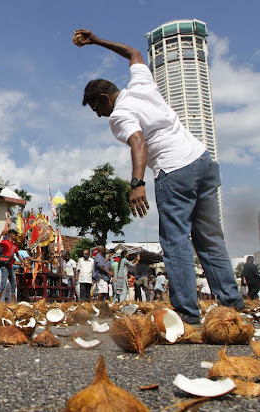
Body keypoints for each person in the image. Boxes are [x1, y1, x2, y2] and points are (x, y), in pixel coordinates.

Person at [77, 29, 245, 323]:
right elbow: (134, 53)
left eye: (96, 107)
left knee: (176, 241)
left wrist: (137, 183)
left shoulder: (118, 115)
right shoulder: (142, 85)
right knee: (210, 239)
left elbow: (138, 141)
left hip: (175, 171)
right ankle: (233, 304)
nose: (98, 115)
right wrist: (96, 40)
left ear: (105, 98)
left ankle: (188, 316)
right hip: (202, 161)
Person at [0, 229, 19, 303]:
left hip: (10, 266)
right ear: (11, 235)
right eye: (15, 235)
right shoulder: (5, 242)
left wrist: (24, 262)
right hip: (4, 266)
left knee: (13, 284)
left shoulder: (14, 245)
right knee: (3, 284)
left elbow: (18, 255)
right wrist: (1, 235)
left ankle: (13, 302)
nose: (16, 237)